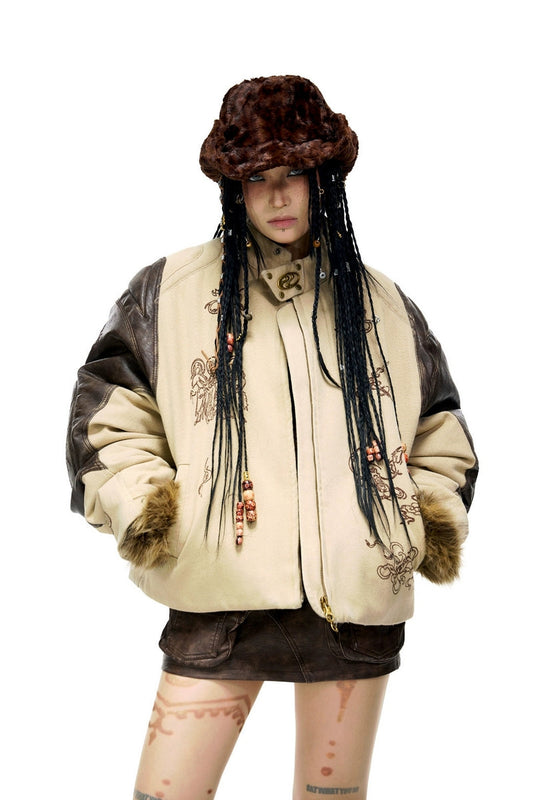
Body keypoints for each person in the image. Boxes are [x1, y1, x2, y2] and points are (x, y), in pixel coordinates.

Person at [66, 75, 478, 800]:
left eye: (295, 174)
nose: (278, 197)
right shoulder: (169, 291)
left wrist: (419, 520)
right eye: (258, 178)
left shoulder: (382, 304)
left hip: (356, 601)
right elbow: (108, 416)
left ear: (325, 179)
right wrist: (151, 511)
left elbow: (439, 427)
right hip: (217, 595)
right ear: (235, 188)